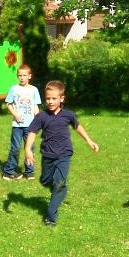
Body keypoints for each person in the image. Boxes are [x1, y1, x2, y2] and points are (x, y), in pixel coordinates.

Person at [24, 80, 99, 226]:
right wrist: (27, 149)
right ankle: (61, 189)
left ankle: (50, 217)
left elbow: (77, 126)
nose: (50, 101)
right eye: (48, 98)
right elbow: (32, 132)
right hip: (48, 155)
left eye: (54, 98)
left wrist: (89, 141)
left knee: (58, 182)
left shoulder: (68, 115)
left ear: (61, 98)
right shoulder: (41, 116)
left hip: (64, 154)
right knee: (46, 181)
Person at [1, 64, 41, 180]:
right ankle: (9, 171)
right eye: (20, 75)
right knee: (15, 148)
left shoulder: (34, 90)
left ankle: (29, 172)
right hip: (17, 126)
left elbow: (35, 106)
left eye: (24, 75)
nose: (22, 78)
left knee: (30, 148)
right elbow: (8, 104)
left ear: (29, 76)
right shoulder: (14, 89)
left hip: (30, 126)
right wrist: (15, 115)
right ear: (17, 76)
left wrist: (37, 119)